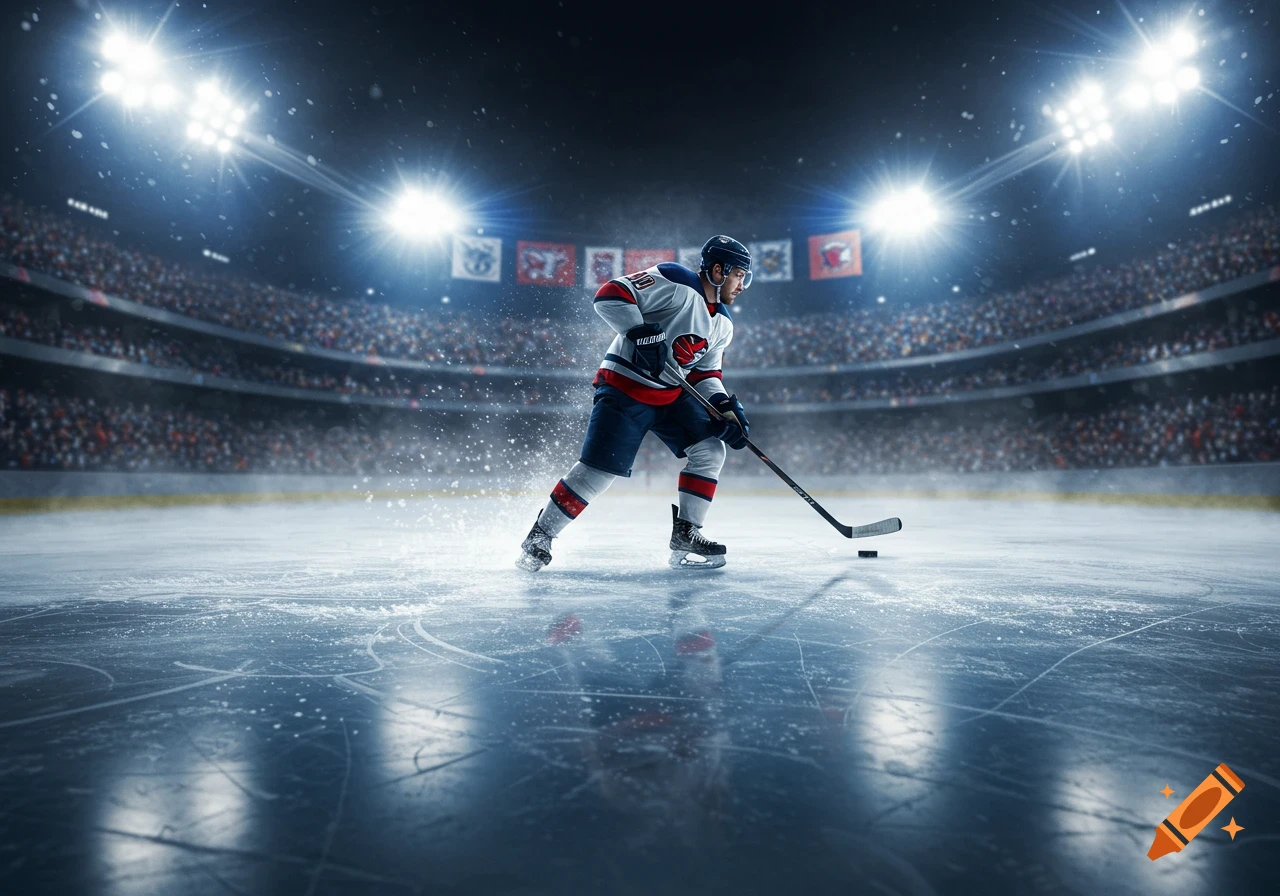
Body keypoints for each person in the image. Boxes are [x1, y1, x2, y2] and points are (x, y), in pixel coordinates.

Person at [517, 235, 753, 571]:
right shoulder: (676, 280)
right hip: (626, 388)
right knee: (598, 471)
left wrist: (724, 408)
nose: (743, 285)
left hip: (671, 394)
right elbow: (610, 294)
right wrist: (639, 331)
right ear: (718, 269)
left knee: (712, 449)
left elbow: (704, 373)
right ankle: (540, 535)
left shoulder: (724, 324)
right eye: (739, 275)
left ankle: (687, 532)